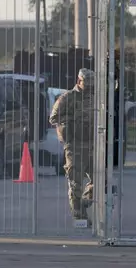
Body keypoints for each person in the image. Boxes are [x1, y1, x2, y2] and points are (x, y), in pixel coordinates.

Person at [49, 68, 96, 222]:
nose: (89, 87)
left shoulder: (95, 98)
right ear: (78, 81)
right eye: (86, 84)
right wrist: (73, 119)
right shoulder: (67, 97)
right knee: (76, 183)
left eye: (91, 84)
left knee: (101, 181)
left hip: (93, 145)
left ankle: (84, 202)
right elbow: (53, 118)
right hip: (75, 146)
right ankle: (79, 216)